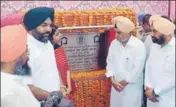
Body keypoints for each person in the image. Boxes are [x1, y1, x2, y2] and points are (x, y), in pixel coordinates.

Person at [23, 7, 74, 107]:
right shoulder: (24, 49)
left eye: (50, 25)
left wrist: (61, 86)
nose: (49, 29)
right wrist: (53, 96)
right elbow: (27, 86)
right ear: (32, 26)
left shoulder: (47, 44)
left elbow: (53, 67)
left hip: (55, 99)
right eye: (44, 25)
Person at [106, 16, 146, 107]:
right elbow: (109, 63)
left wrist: (121, 84)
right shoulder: (114, 44)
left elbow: (137, 71)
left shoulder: (138, 46)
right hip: (116, 88)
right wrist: (112, 81)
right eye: (115, 32)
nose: (116, 36)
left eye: (119, 33)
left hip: (131, 89)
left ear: (128, 31)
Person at [0, 23, 41, 107]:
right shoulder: (10, 92)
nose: (28, 54)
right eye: (26, 49)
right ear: (16, 54)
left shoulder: (10, 80)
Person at [145, 15, 175, 107]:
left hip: (168, 100)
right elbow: (148, 68)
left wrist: (155, 91)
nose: (152, 35)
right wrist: (148, 88)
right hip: (151, 98)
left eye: (154, 31)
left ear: (165, 32)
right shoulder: (155, 47)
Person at [49, 24, 76, 96]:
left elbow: (67, 68)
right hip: (55, 89)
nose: (61, 35)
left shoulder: (60, 49)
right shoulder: (47, 53)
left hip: (67, 87)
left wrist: (69, 87)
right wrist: (62, 88)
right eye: (57, 34)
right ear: (50, 38)